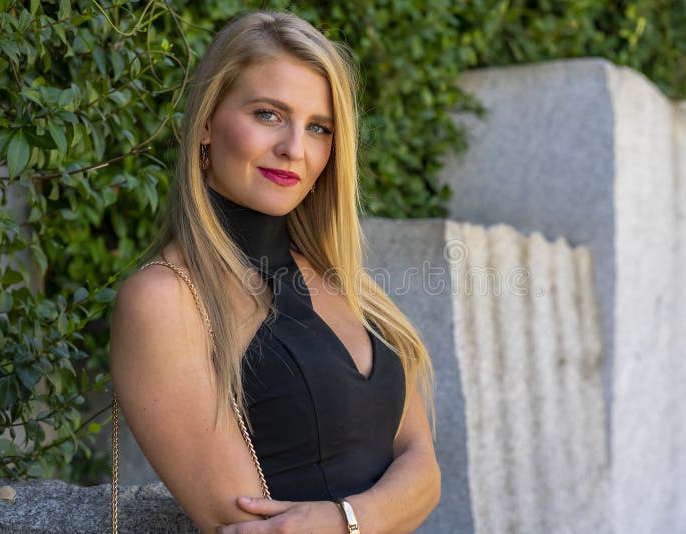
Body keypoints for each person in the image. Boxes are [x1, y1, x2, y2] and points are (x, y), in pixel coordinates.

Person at [109, 10, 440, 534]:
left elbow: (424, 468)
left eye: (318, 128)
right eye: (268, 114)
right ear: (204, 125)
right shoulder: (165, 299)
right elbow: (251, 526)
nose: (294, 148)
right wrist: (375, 513)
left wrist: (341, 520)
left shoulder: (343, 281)